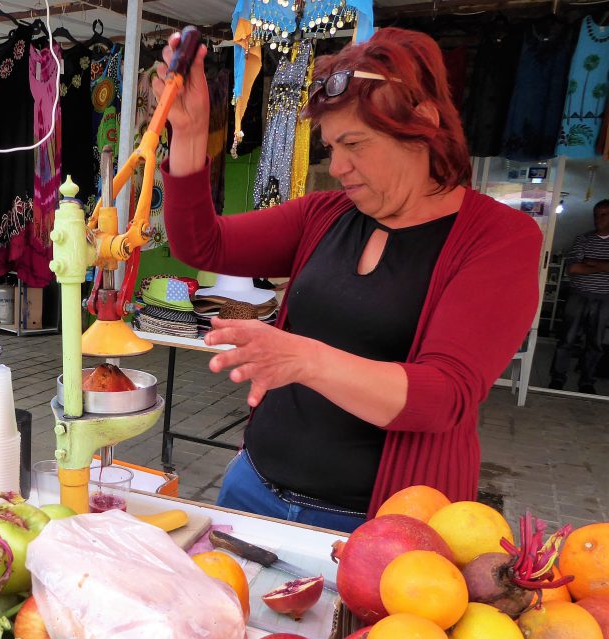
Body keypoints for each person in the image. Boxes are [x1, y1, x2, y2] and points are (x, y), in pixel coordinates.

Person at [154, 28, 541, 532]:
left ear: (422, 124)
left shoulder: (498, 238)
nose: (336, 166)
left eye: (354, 143)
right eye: (331, 145)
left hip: (379, 527)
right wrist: (188, 133)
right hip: (253, 486)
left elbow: (443, 395)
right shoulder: (328, 214)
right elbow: (203, 245)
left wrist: (303, 357)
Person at [549, 200, 609, 395]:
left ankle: (587, 382)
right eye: (596, 214)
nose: (597, 219)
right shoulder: (583, 239)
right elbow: (573, 268)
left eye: (603, 215)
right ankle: (557, 379)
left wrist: (591, 262)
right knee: (567, 339)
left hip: (603, 298)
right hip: (578, 295)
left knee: (595, 343)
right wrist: (604, 265)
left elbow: (583, 265)